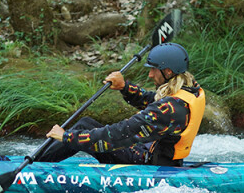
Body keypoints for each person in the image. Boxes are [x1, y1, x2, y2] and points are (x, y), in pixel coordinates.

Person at [39, 43, 205, 166]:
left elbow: (118, 135)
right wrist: (124, 87)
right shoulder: (190, 89)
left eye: (154, 69)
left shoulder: (169, 110)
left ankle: (36, 166)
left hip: (148, 163)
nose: (150, 74)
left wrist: (67, 137)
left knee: (83, 127)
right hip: (163, 157)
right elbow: (151, 99)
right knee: (86, 124)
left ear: (168, 72)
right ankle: (40, 159)